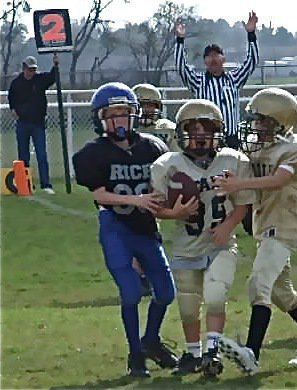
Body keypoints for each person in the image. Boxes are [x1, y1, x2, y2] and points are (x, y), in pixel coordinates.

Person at [213, 87, 297, 375]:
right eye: (255, 120)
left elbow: (279, 180)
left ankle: (252, 353)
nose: (256, 126)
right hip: (262, 224)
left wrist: (238, 186)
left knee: (259, 285)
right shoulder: (257, 147)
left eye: (263, 121)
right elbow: (248, 176)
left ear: (280, 122)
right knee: (283, 293)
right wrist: (232, 179)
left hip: (283, 226)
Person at [72, 82, 180, 377]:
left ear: (134, 114)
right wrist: (136, 199)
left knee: (167, 293)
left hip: (146, 227)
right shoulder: (92, 153)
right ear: (101, 118)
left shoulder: (153, 147)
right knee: (131, 293)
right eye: (112, 114)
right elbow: (100, 195)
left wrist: (175, 210)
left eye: (124, 112)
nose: (119, 119)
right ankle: (135, 355)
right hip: (116, 227)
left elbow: (163, 189)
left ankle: (151, 341)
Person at [150, 99, 256, 377]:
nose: (199, 134)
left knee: (216, 293)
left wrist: (228, 226)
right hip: (186, 244)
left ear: (217, 132)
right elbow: (156, 208)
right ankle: (193, 352)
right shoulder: (167, 165)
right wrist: (175, 213)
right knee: (187, 304)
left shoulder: (232, 160)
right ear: (181, 132)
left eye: (206, 128)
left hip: (220, 243)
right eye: (193, 128)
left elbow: (242, 202)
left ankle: (212, 350)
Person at [175, 11, 259, 149]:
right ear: (204, 61)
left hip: (232, 139)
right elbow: (181, 67)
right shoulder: (198, 82)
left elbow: (252, 61)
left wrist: (251, 34)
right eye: (209, 56)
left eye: (216, 55)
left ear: (223, 59)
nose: (213, 58)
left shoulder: (234, 79)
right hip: (207, 141)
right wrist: (180, 40)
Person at [132, 83, 180, 297]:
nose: (149, 110)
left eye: (152, 105)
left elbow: (178, 158)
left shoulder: (167, 129)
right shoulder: (128, 129)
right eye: (144, 105)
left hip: (161, 186)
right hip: (134, 187)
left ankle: (149, 274)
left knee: (150, 232)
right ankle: (142, 274)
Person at [8, 55, 58, 194]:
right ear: (24, 68)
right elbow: (11, 97)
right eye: (30, 69)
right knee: (23, 156)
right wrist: (13, 110)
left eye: (34, 69)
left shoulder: (40, 80)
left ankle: (46, 184)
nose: (32, 72)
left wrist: (55, 65)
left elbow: (52, 77)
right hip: (23, 123)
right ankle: (26, 184)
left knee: (42, 154)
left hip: (38, 123)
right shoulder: (16, 83)